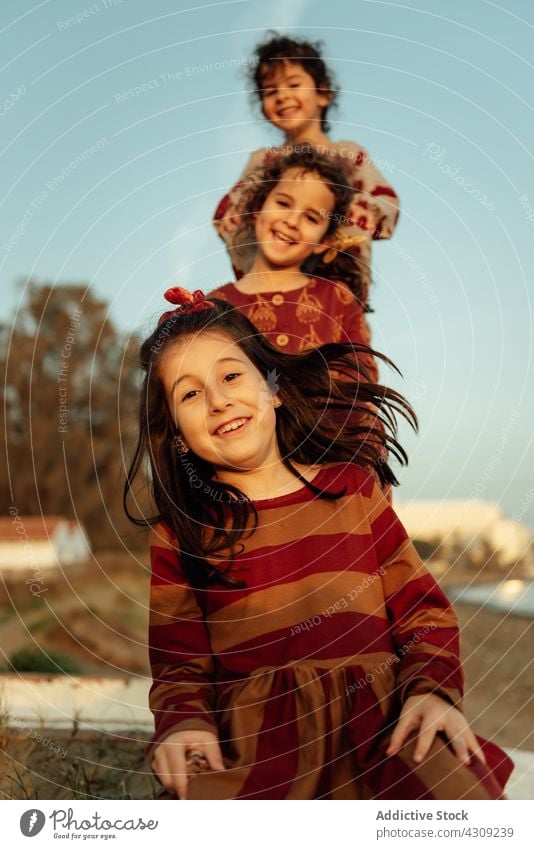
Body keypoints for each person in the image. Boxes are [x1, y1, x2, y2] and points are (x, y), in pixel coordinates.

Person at [124, 287, 513, 801]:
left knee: (462, 804)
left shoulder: (352, 488)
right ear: (174, 432)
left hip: (383, 729)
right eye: (190, 394)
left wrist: (431, 692)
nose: (218, 399)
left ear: (274, 388)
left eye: (231, 376)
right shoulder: (184, 535)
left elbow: (423, 614)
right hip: (258, 745)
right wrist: (183, 726)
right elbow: (180, 664)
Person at [213, 32, 399, 331]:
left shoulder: (349, 155)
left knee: (343, 368)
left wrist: (333, 231)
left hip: (337, 293)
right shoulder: (262, 162)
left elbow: (386, 206)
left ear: (323, 94)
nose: (282, 96)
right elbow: (228, 217)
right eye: (270, 91)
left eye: (293, 84)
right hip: (268, 296)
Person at [209, 145, 378, 380]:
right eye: (283, 203)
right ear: (258, 208)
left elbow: (362, 379)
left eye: (311, 217)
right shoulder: (214, 307)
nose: (291, 221)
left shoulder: (338, 299)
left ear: (324, 241)